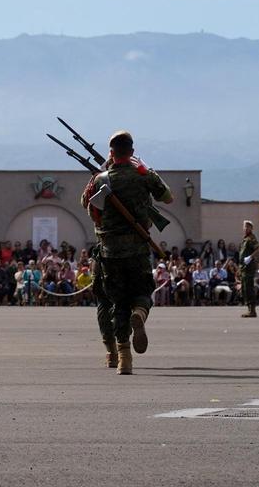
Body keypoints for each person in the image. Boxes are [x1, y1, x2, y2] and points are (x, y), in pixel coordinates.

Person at [81, 131, 172, 375]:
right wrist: (144, 168)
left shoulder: (101, 179)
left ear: (111, 153)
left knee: (118, 302)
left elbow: (85, 203)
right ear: (131, 152)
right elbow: (168, 197)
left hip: (110, 252)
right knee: (143, 291)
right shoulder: (144, 175)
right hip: (138, 248)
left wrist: (99, 173)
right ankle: (140, 314)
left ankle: (124, 358)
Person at [238, 219, 259, 317]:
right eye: (245, 227)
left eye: (248, 227)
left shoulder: (251, 238)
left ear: (251, 228)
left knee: (249, 288)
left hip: (249, 267)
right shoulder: (245, 239)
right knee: (245, 289)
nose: (246, 228)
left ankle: (252, 310)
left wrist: (250, 257)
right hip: (244, 267)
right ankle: (249, 309)